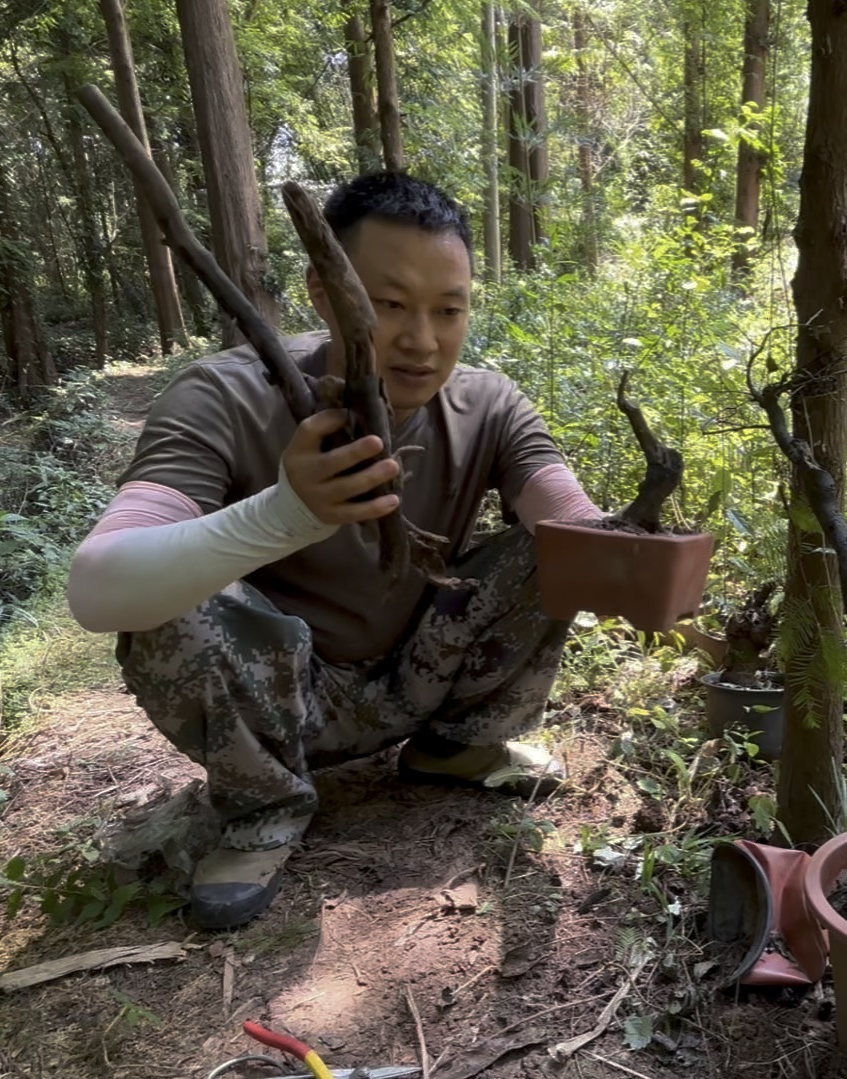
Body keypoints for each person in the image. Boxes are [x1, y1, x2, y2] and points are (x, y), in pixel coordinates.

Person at [66, 173, 602, 930]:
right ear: (324, 290)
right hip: (283, 701)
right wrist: (284, 514)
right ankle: (264, 805)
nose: (422, 340)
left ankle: (456, 747)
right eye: (387, 305)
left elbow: (566, 516)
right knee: (165, 585)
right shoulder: (223, 396)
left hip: (419, 672)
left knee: (548, 552)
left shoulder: (488, 403)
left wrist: (634, 558)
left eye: (448, 310)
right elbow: (99, 586)